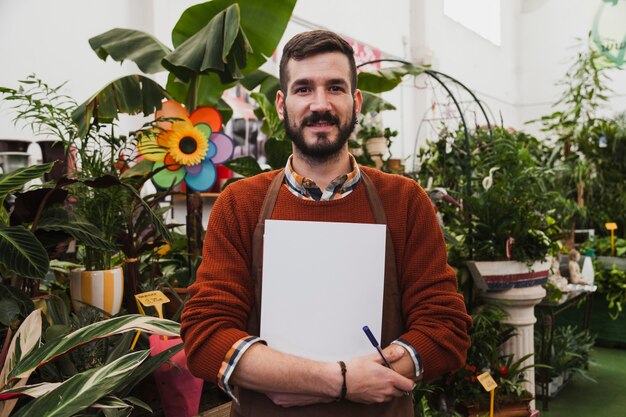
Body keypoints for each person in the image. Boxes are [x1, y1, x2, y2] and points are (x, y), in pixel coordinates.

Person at [181, 30, 471, 417]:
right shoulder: (241, 204)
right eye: (304, 89)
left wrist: (348, 377)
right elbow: (205, 337)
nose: (320, 104)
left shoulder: (404, 202)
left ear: (356, 101)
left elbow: (445, 327)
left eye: (335, 88)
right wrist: (338, 381)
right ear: (282, 104)